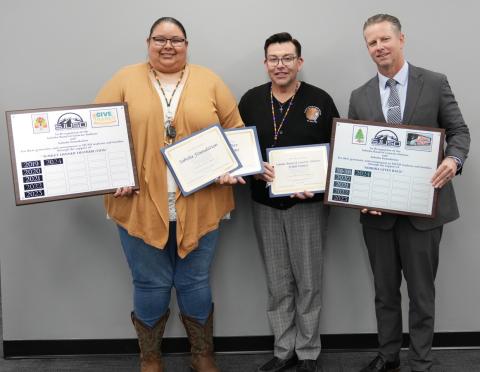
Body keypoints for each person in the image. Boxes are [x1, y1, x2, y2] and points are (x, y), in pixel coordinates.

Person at [95, 17, 244, 372]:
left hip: (202, 201)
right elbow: (97, 131)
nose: (167, 46)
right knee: (149, 282)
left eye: (175, 40)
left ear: (186, 45)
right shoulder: (124, 79)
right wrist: (111, 173)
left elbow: (235, 132)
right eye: (160, 39)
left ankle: (202, 354)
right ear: (148, 42)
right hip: (140, 202)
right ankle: (150, 358)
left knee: (194, 280)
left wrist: (231, 167)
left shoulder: (209, 80)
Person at [348, 14, 470, 372]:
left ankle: (420, 361)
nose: (379, 47)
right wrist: (359, 195)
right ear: (367, 49)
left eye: (385, 39)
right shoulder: (359, 96)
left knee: (421, 292)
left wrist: (454, 160)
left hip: (424, 208)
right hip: (378, 214)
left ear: (402, 39)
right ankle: (388, 356)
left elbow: (459, 131)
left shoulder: (433, 83)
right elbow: (356, 154)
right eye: (372, 42)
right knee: (384, 292)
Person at [239, 32, 339, 372]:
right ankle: (284, 350)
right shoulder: (251, 100)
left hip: (307, 206)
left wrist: (316, 184)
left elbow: (338, 153)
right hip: (264, 205)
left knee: (309, 282)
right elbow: (237, 150)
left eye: (287, 58)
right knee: (278, 283)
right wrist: (253, 169)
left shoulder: (320, 100)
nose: (280, 65)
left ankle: (308, 352)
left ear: (299, 62)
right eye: (273, 59)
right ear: (265, 63)